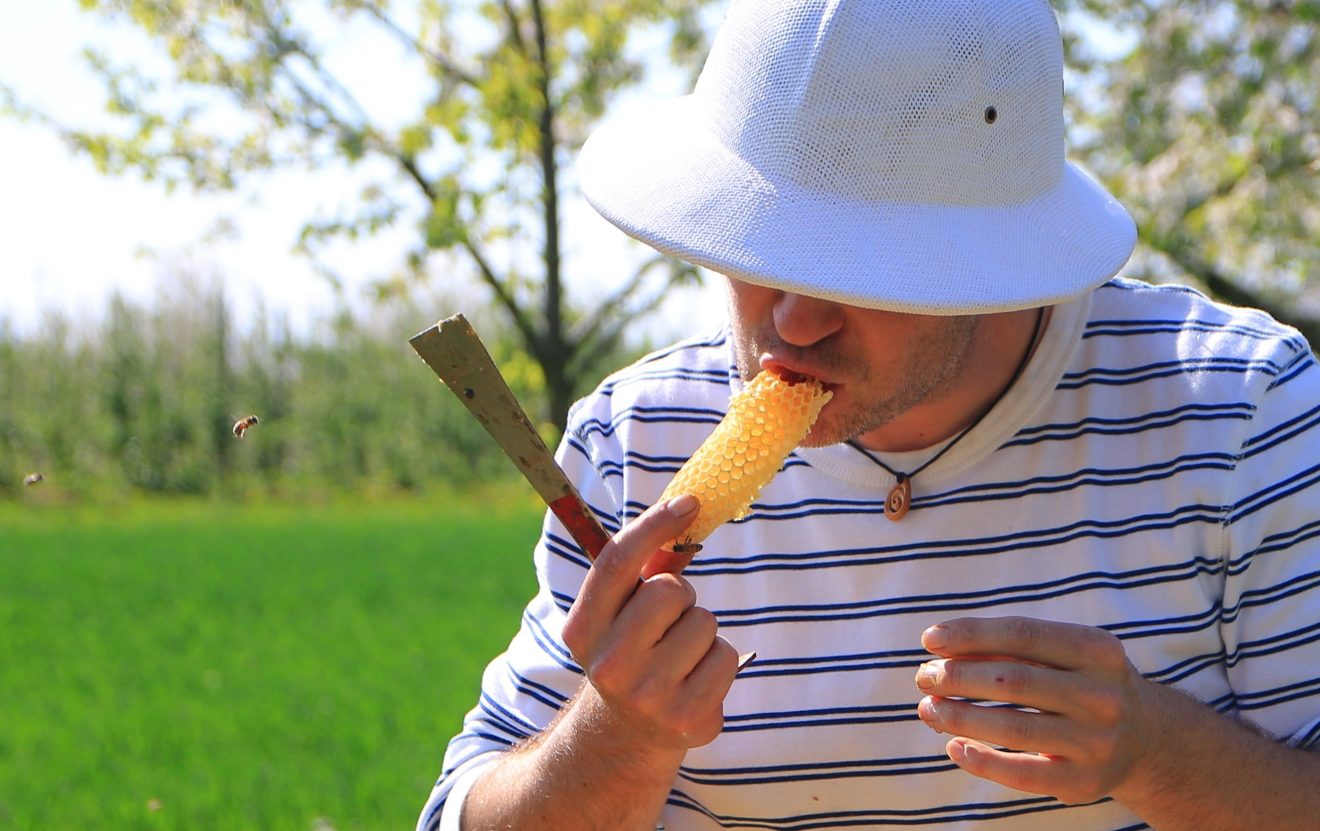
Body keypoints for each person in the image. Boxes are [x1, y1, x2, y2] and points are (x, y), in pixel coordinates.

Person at [418, 0, 1320, 828]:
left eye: (864, 271)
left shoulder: (1240, 415)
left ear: (993, 257)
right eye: (759, 246)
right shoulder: (635, 438)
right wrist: (618, 736)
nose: (794, 322)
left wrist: (1161, 751)